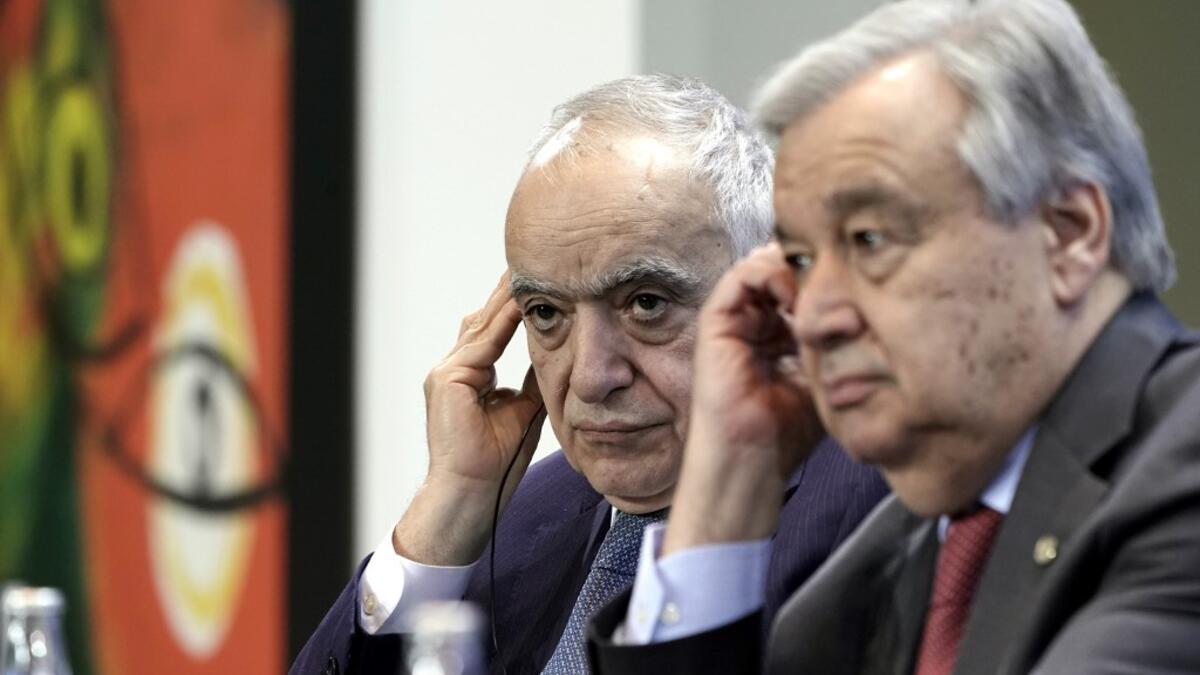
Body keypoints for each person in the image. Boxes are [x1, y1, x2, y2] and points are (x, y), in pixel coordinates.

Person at [589, 1, 1200, 673]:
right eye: (800, 260)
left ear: (1069, 233)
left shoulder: (1182, 462)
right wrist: (725, 491)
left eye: (870, 239)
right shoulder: (857, 590)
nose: (811, 316)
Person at [290, 74, 887, 675]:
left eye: (646, 303)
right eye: (546, 313)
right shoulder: (521, 516)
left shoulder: (879, 504)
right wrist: (448, 511)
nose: (590, 378)